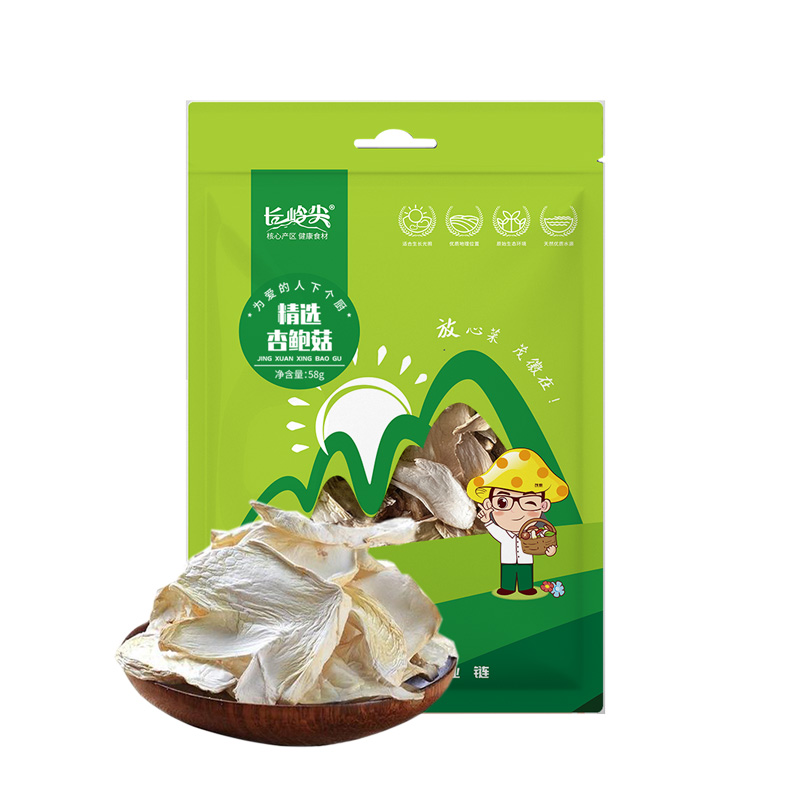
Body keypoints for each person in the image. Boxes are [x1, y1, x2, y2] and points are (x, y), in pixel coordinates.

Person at [467, 448, 569, 596]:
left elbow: (545, 542)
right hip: (507, 560)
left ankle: (526, 587)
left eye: (529, 502)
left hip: (526, 560)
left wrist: (550, 549)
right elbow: (496, 533)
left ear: (543, 506)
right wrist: (488, 520)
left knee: (526, 573)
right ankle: (507, 587)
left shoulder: (536, 533)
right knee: (507, 572)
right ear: (490, 503)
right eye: (502, 502)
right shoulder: (504, 535)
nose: (515, 510)